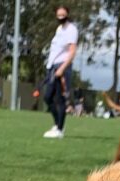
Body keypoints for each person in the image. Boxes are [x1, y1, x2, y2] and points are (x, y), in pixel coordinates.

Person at [43, 5, 78, 139]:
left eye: (63, 16)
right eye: (58, 16)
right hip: (52, 66)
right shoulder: (59, 29)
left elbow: (72, 51)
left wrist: (62, 69)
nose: (61, 18)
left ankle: (59, 129)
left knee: (59, 98)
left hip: (62, 67)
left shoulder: (71, 30)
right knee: (47, 97)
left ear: (67, 15)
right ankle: (58, 124)